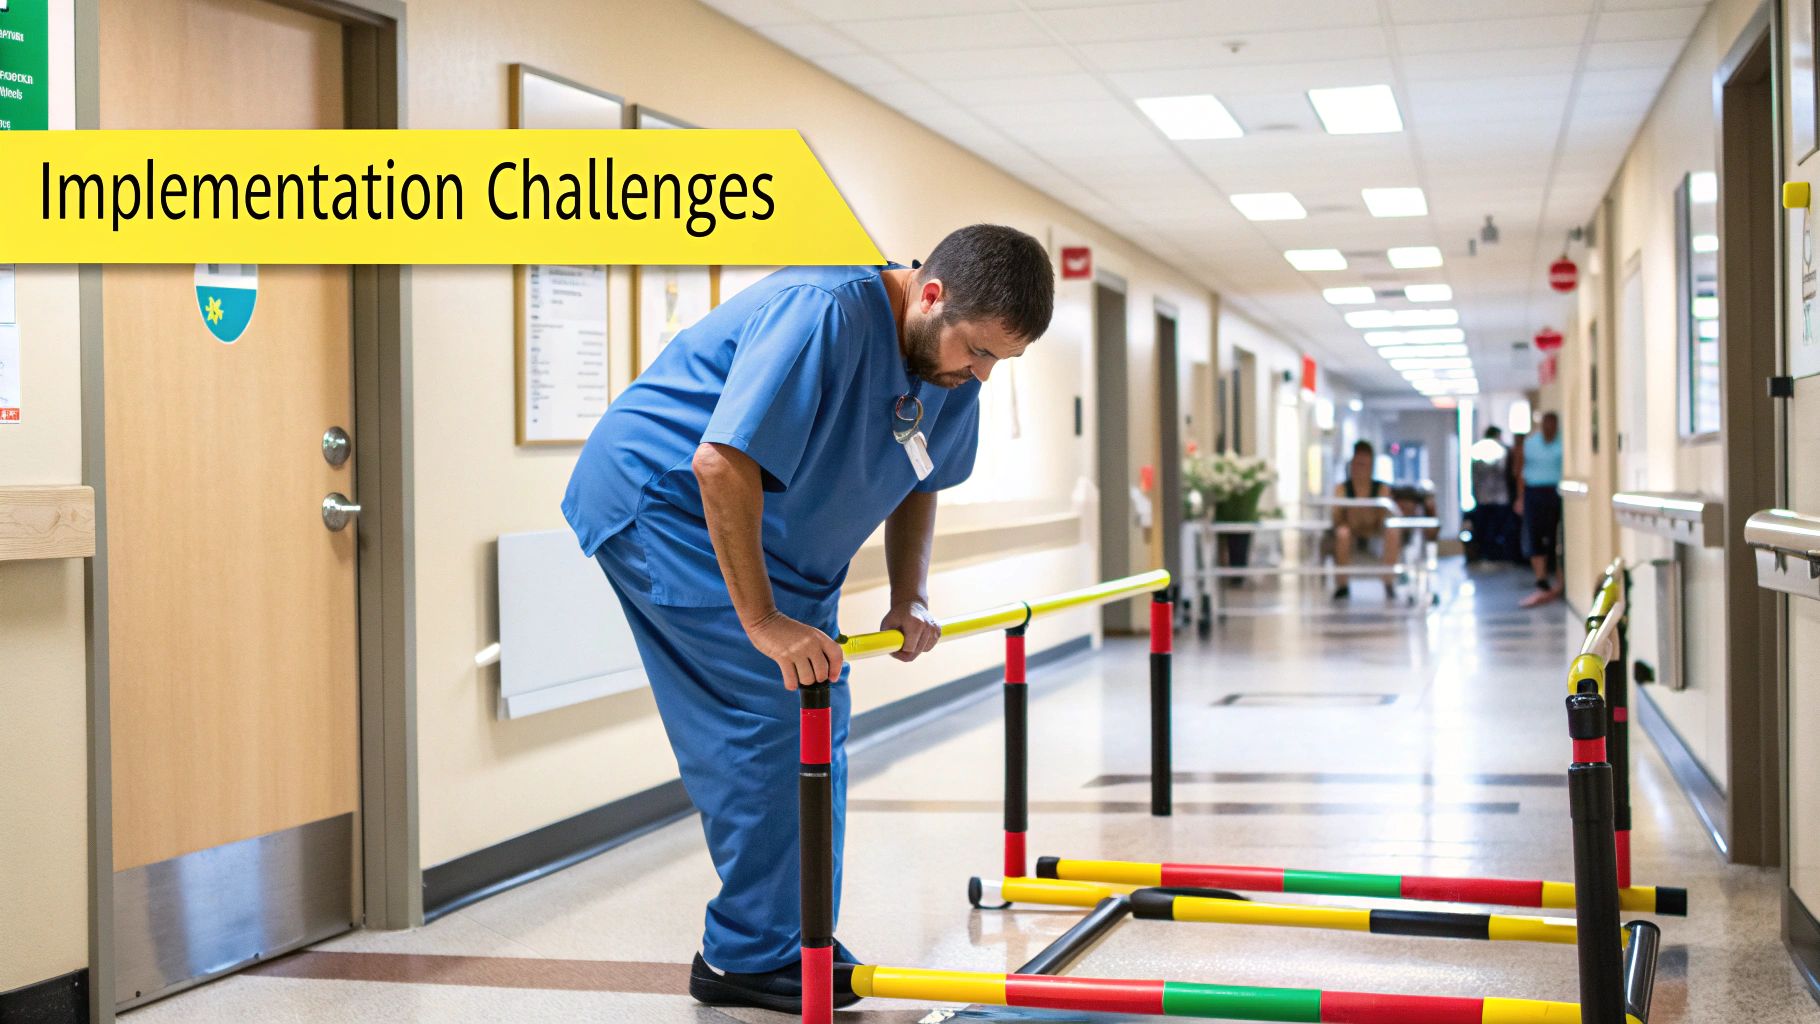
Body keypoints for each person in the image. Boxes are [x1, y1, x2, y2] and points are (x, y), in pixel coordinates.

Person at [562, 225, 1054, 1013]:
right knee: (773, 714)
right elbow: (720, 462)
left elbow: (920, 477)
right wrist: (761, 623)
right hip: (670, 511)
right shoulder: (824, 310)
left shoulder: (950, 371)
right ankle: (749, 954)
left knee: (816, 714)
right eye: (980, 351)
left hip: (783, 543)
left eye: (1002, 361)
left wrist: (910, 595)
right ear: (931, 294)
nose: (983, 374)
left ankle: (796, 940)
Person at [1330, 439, 1402, 600]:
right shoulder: (1342, 489)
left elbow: (1387, 514)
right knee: (1342, 533)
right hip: (1350, 528)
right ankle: (1342, 584)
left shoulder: (1381, 489)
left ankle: (1388, 581)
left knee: (1393, 532)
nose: (1361, 469)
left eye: (1365, 464)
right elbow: (1337, 516)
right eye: (1358, 464)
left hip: (1374, 527)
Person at [1514, 411, 1565, 607]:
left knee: (1554, 537)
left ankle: (1558, 580)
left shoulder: (1562, 444)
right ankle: (1541, 579)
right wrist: (1521, 497)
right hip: (1534, 492)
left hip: (1555, 492)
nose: (1549, 428)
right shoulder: (1530, 444)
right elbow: (1520, 472)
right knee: (1534, 535)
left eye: (1553, 424)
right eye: (1546, 424)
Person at [1469, 426, 1513, 562]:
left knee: (1483, 527)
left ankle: (1484, 553)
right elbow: (1504, 471)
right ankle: (1496, 554)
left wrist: (1475, 494)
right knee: (1498, 528)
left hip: (1482, 496)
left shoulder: (1477, 449)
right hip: (1500, 496)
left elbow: (1474, 475)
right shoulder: (1502, 449)